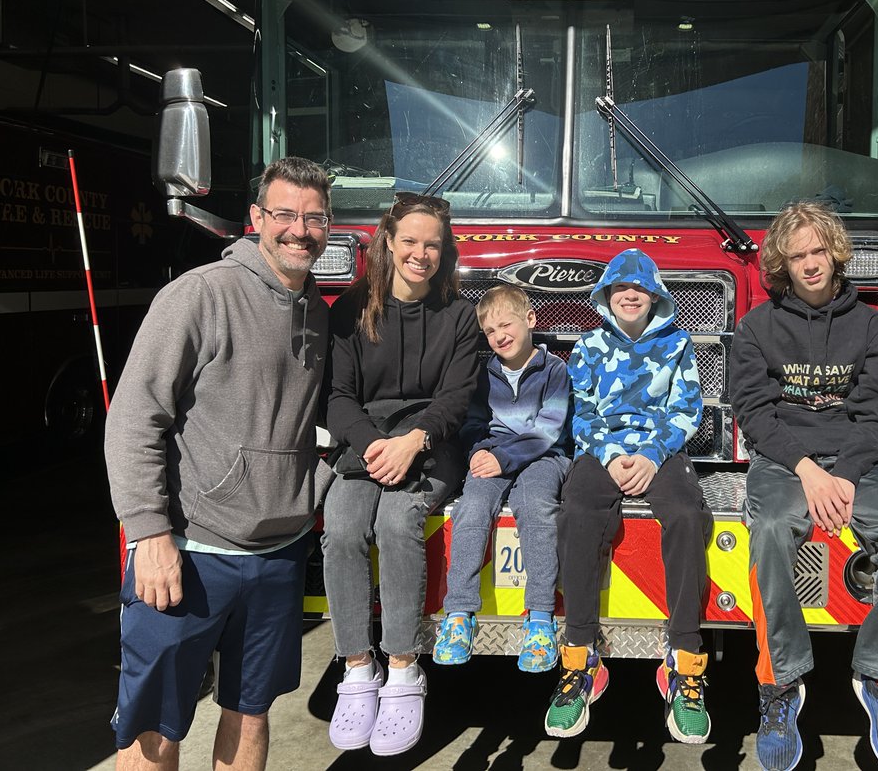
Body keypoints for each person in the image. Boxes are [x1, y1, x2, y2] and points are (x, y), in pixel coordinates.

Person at [104, 156, 332, 771]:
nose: (299, 229)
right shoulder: (199, 296)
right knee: (154, 727)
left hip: (278, 554)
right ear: (256, 218)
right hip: (189, 554)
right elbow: (133, 419)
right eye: (284, 213)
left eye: (314, 217)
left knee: (250, 712)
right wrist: (149, 533)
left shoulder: (318, 311)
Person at [729, 201, 878, 771]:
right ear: (781, 265)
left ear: (835, 254)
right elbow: (755, 412)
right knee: (768, 528)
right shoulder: (756, 328)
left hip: (857, 463)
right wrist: (807, 471)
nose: (810, 263)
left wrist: (842, 474)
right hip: (785, 462)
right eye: (797, 255)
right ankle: (781, 688)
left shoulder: (867, 325)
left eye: (818, 251)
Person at [322, 192, 478, 757]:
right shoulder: (350, 310)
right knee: (340, 526)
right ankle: (358, 669)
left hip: (431, 446)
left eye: (432, 244)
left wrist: (413, 441)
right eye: (409, 241)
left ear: (445, 251)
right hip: (366, 445)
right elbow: (337, 398)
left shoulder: (460, 316)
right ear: (388, 242)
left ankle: (405, 669)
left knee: (395, 524)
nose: (420, 253)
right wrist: (373, 446)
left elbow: (458, 397)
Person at [545, 248, 714, 745]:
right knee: (576, 511)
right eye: (620, 288)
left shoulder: (679, 344)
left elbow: (687, 409)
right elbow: (582, 414)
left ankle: (685, 661)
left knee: (686, 514)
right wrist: (614, 455)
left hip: (659, 454)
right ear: (606, 296)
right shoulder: (588, 346)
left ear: (655, 295)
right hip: (604, 453)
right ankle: (579, 658)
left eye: (639, 288)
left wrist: (652, 456)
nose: (630, 295)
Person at [432, 284, 571, 672]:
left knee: (536, 508)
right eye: (490, 332)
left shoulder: (555, 370)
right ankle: (459, 614)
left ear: (530, 320)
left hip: (544, 457)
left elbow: (549, 429)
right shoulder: (483, 375)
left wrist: (503, 457)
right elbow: (473, 424)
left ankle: (540, 617)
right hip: (492, 456)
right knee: (471, 507)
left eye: (506, 325)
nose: (499, 337)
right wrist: (477, 451)